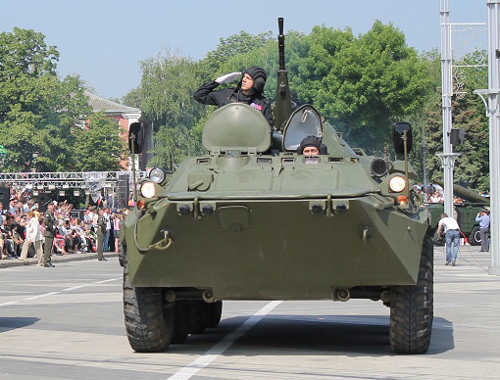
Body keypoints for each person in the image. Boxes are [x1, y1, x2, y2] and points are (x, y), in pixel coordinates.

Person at [193, 66, 273, 125]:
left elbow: (267, 129)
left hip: (250, 144)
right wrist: (217, 81)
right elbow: (199, 96)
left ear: (257, 83)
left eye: (248, 78)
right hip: (225, 143)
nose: (243, 80)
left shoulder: (262, 104)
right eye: (244, 77)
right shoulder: (227, 94)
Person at [42, 202, 56, 267]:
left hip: (51, 232)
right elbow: (46, 221)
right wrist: (51, 226)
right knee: (47, 248)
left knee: (49, 248)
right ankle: (46, 261)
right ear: (48, 206)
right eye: (51, 205)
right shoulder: (47, 213)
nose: (53, 206)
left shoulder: (51, 213)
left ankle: (48, 261)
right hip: (48, 232)